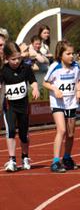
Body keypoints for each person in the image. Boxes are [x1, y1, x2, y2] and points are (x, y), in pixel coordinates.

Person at [43, 40, 80, 172]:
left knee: (71, 134)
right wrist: (55, 89)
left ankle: (67, 157)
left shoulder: (76, 66)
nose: (72, 56)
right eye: (68, 53)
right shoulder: (55, 67)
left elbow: (79, 80)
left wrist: (79, 90)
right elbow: (45, 83)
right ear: (61, 55)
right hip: (58, 103)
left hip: (71, 103)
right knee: (62, 130)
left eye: (73, 53)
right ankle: (55, 161)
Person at [1, 41, 40, 172]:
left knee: (23, 134)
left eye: (18, 58)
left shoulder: (25, 68)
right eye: (13, 59)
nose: (17, 61)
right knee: (11, 131)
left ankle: (25, 157)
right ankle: (12, 159)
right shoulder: (3, 71)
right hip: (10, 106)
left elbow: (33, 81)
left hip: (23, 107)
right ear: (6, 59)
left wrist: (35, 89)